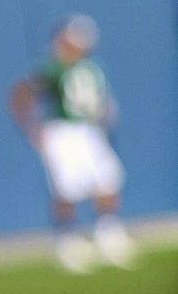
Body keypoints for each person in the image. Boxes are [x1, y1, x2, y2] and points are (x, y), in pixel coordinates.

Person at [10, 15, 137, 273]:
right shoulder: (51, 67)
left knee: (107, 179)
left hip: (89, 130)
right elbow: (21, 93)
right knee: (67, 187)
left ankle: (108, 235)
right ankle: (68, 241)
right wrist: (32, 128)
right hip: (62, 131)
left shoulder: (93, 67)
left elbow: (100, 101)